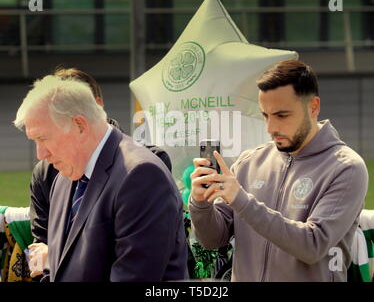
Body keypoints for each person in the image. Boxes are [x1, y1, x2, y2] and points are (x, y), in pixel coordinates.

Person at [189, 59, 369, 281]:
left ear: (313, 107)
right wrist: (200, 204)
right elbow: (213, 240)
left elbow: (312, 246)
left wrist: (241, 200)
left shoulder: (346, 168)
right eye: (265, 115)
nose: (271, 128)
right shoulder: (249, 162)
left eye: (282, 115)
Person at [15, 75, 188, 281]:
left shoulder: (141, 176)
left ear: (79, 125)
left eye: (43, 138)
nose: (40, 154)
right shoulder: (64, 176)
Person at [29, 68, 172, 248]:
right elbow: (41, 244)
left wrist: (53, 259)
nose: (42, 153)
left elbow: (140, 254)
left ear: (96, 107)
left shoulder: (146, 165)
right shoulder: (47, 171)